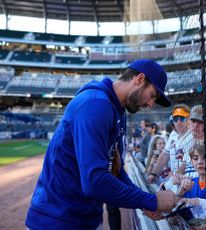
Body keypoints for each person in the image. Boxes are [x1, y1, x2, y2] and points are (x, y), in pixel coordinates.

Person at [25, 59, 179, 229]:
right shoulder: (95, 105)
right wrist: (151, 200)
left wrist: (145, 202)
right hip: (56, 220)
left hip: (84, 217)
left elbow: (115, 168)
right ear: (140, 79)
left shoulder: (117, 109)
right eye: (152, 95)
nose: (150, 104)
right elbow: (94, 181)